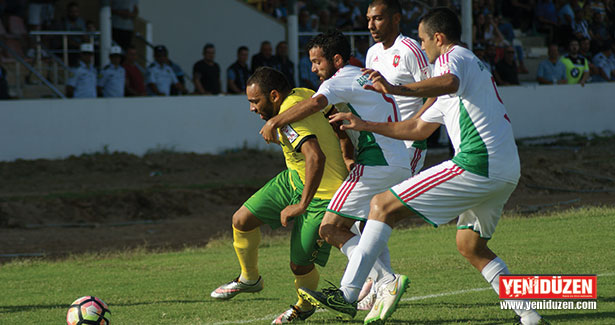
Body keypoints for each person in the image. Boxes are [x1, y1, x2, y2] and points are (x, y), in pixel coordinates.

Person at [298, 8, 547, 325]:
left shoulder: (453, 57)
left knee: (381, 204)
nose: (423, 46)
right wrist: (364, 124)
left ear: (439, 39)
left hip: (477, 162)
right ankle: (530, 317)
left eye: (424, 39)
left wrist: (397, 89)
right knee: (470, 245)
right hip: (506, 168)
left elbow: (447, 79)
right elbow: (415, 129)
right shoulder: (461, 81)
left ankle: (348, 294)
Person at [259, 30, 413, 323]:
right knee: (365, 228)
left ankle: (382, 283)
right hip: (395, 161)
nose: (313, 69)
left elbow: (316, 103)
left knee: (329, 228)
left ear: (336, 59)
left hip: (377, 162)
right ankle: (372, 289)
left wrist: (276, 120)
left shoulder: (339, 79)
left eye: (317, 62)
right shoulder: (364, 75)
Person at [210, 67, 349, 325]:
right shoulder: (302, 94)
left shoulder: (289, 118)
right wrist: (345, 149)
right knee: (241, 220)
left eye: (255, 101)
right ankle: (249, 279)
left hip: (323, 195)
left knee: (299, 266)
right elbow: (334, 119)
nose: (252, 108)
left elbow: (315, 157)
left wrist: (301, 205)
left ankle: (304, 307)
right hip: (294, 179)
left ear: (274, 95)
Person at [365, 0, 433, 179]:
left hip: (409, 143)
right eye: (368, 19)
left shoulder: (410, 49)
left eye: (378, 19)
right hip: (383, 141)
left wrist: (415, 126)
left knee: (397, 195)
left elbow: (433, 94)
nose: (371, 26)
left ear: (396, 19)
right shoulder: (372, 53)